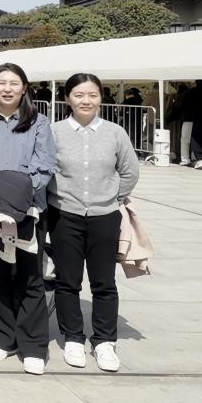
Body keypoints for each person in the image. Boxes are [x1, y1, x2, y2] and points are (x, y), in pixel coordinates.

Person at [0, 62, 57, 375]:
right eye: (1, 82)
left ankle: (33, 345)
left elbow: (44, 166)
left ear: (24, 88)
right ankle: (3, 337)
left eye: (14, 83)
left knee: (30, 277)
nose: (7, 88)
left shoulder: (39, 123)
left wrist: (15, 198)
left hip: (29, 212)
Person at [48, 73, 139, 373]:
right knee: (67, 281)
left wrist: (112, 198)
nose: (85, 101)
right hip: (64, 215)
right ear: (67, 99)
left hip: (104, 216)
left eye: (92, 95)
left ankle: (104, 341)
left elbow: (130, 171)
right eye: (78, 95)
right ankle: (73, 337)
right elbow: (46, 170)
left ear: (101, 97)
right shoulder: (54, 132)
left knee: (104, 282)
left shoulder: (115, 133)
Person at [179, 80, 202, 165]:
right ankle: (196, 158)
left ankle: (185, 159)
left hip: (188, 118)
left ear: (196, 83)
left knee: (185, 139)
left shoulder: (189, 92)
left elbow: (181, 104)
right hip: (200, 119)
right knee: (197, 140)